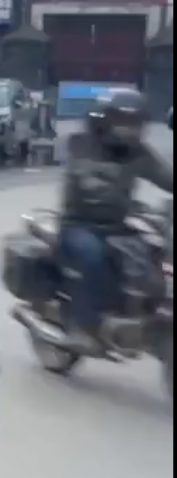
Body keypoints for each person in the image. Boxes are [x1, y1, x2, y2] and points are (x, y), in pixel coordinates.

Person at [59, 89, 173, 352]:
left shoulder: (138, 153)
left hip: (117, 226)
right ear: (104, 120)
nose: (128, 130)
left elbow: (166, 176)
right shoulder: (81, 143)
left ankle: (138, 312)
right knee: (92, 254)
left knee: (152, 251)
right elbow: (84, 178)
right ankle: (84, 326)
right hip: (79, 224)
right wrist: (100, 185)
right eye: (122, 121)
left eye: (133, 123)